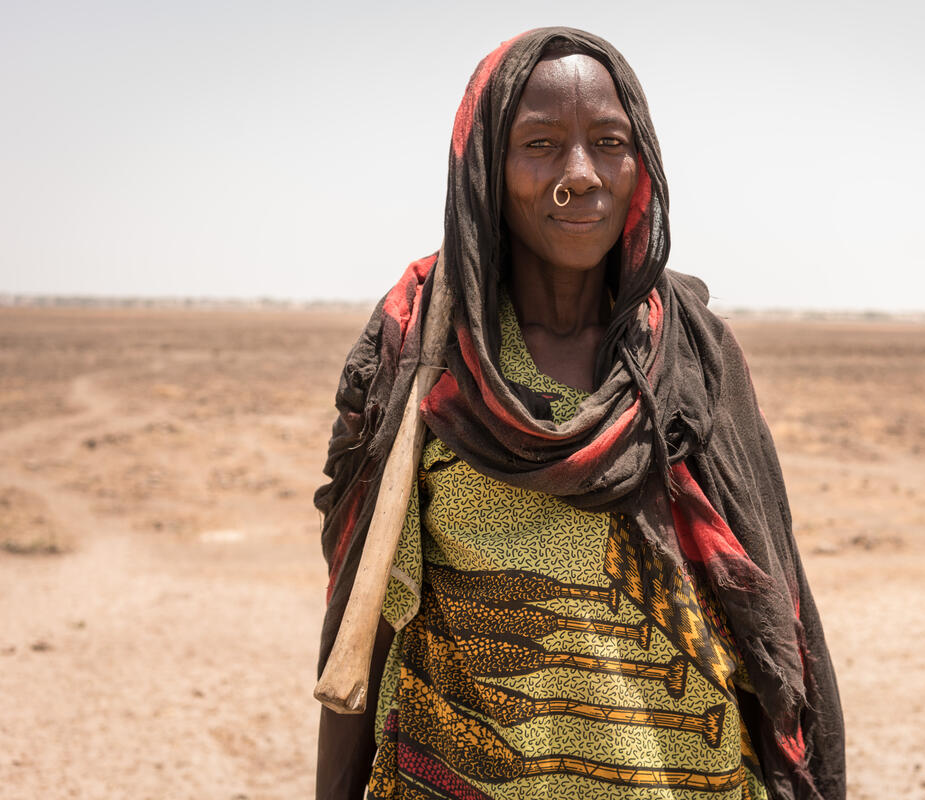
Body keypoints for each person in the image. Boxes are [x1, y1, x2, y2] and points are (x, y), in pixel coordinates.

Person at [314, 27, 845, 800]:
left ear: (643, 165)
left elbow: (771, 607)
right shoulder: (426, 350)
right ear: (484, 167)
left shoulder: (691, 356)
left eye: (609, 142)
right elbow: (363, 622)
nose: (580, 176)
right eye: (539, 144)